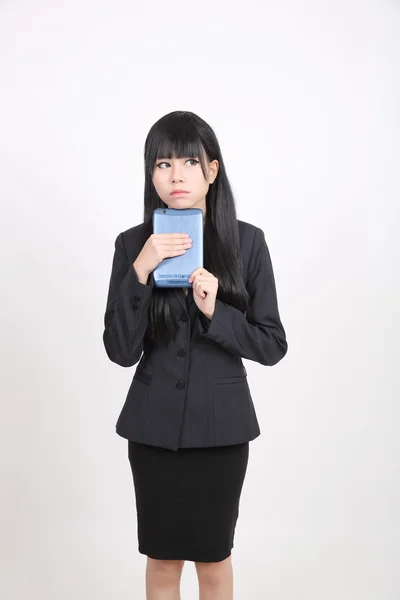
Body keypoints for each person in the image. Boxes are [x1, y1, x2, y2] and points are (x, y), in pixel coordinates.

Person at [102, 110, 288, 600]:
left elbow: (272, 343)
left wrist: (216, 313)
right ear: (151, 175)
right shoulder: (130, 246)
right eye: (163, 163)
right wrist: (140, 272)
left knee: (214, 560)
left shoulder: (246, 242)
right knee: (162, 561)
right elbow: (120, 350)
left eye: (189, 161)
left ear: (212, 170)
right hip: (153, 431)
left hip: (221, 432)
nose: (177, 174)